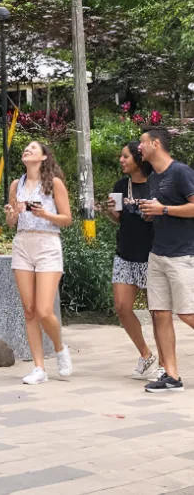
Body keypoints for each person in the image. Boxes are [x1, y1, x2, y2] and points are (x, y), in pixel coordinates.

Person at [5, 140, 74, 384]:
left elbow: (67, 219)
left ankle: (59, 348)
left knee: (45, 310)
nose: (28, 150)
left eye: (33, 148)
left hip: (47, 244)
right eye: (26, 148)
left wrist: (45, 214)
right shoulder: (17, 184)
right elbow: (12, 223)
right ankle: (39, 368)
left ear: (44, 157)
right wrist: (11, 215)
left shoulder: (54, 183)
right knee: (29, 310)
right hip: (23, 244)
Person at [138, 126, 194, 393]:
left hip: (183, 254)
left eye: (142, 143)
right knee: (160, 313)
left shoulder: (181, 172)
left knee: (187, 313)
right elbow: (162, 211)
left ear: (156, 144)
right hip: (157, 253)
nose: (139, 148)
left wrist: (164, 209)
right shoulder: (153, 178)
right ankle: (172, 376)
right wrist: (152, 213)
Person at [104, 142, 158, 380]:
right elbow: (118, 219)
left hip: (152, 255)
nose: (121, 160)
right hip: (125, 253)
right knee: (122, 307)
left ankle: (167, 363)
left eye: (125, 156)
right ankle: (146, 356)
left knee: (158, 312)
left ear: (139, 158)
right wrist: (111, 212)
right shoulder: (120, 186)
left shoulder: (157, 184)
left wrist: (153, 216)